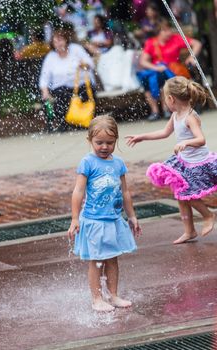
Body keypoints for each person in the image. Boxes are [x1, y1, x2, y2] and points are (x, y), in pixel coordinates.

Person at [126, 76, 216, 244]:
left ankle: (208, 215)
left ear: (170, 99)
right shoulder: (176, 114)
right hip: (184, 161)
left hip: (198, 163)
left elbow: (201, 139)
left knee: (190, 195)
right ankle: (189, 231)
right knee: (181, 195)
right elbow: (165, 132)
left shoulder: (190, 116)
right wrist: (142, 137)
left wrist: (186, 142)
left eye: (164, 98)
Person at [68, 115, 141, 312]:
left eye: (109, 143)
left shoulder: (118, 164)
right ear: (89, 140)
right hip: (94, 220)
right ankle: (96, 298)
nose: (104, 147)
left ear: (116, 140)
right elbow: (78, 191)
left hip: (114, 220)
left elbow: (125, 192)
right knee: (96, 260)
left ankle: (113, 295)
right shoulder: (87, 163)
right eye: (99, 142)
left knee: (112, 258)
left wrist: (132, 216)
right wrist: (75, 218)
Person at [138, 18, 202, 121]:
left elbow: (197, 44)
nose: (169, 32)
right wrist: (156, 67)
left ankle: (166, 109)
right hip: (157, 70)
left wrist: (191, 57)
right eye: (165, 30)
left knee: (162, 77)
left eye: (169, 29)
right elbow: (143, 61)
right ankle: (155, 111)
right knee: (145, 80)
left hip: (173, 70)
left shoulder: (176, 38)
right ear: (159, 32)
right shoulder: (151, 42)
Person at [39, 28, 95, 131]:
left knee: (84, 93)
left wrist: (83, 65)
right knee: (61, 95)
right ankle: (66, 123)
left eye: (60, 40)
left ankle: (82, 122)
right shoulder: (50, 57)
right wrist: (45, 92)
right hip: (61, 88)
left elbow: (90, 64)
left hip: (80, 85)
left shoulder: (76, 49)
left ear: (66, 40)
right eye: (55, 42)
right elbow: (44, 78)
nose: (58, 44)